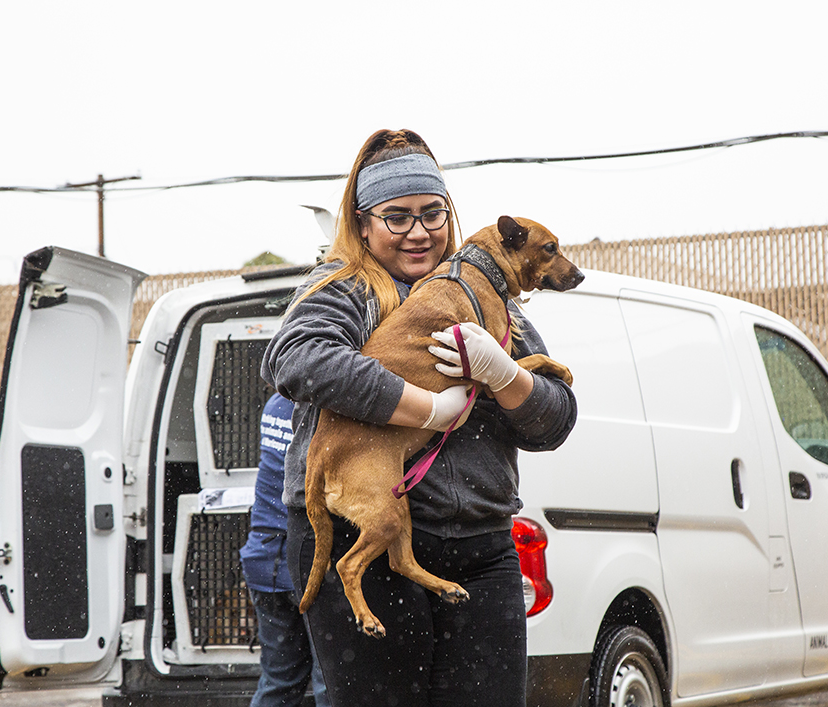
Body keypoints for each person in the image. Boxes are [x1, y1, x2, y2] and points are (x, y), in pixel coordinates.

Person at [260, 128, 577, 707]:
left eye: (432, 214)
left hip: (482, 549)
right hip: (369, 539)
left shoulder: (489, 296)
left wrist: (507, 376)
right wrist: (425, 406)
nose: (419, 232)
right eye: (397, 217)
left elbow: (554, 422)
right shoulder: (344, 290)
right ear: (363, 224)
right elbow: (295, 358)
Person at [239, 392, 330, 707]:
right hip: (306, 559)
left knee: (280, 681)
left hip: (264, 558)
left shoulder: (277, 402)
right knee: (330, 682)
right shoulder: (329, 406)